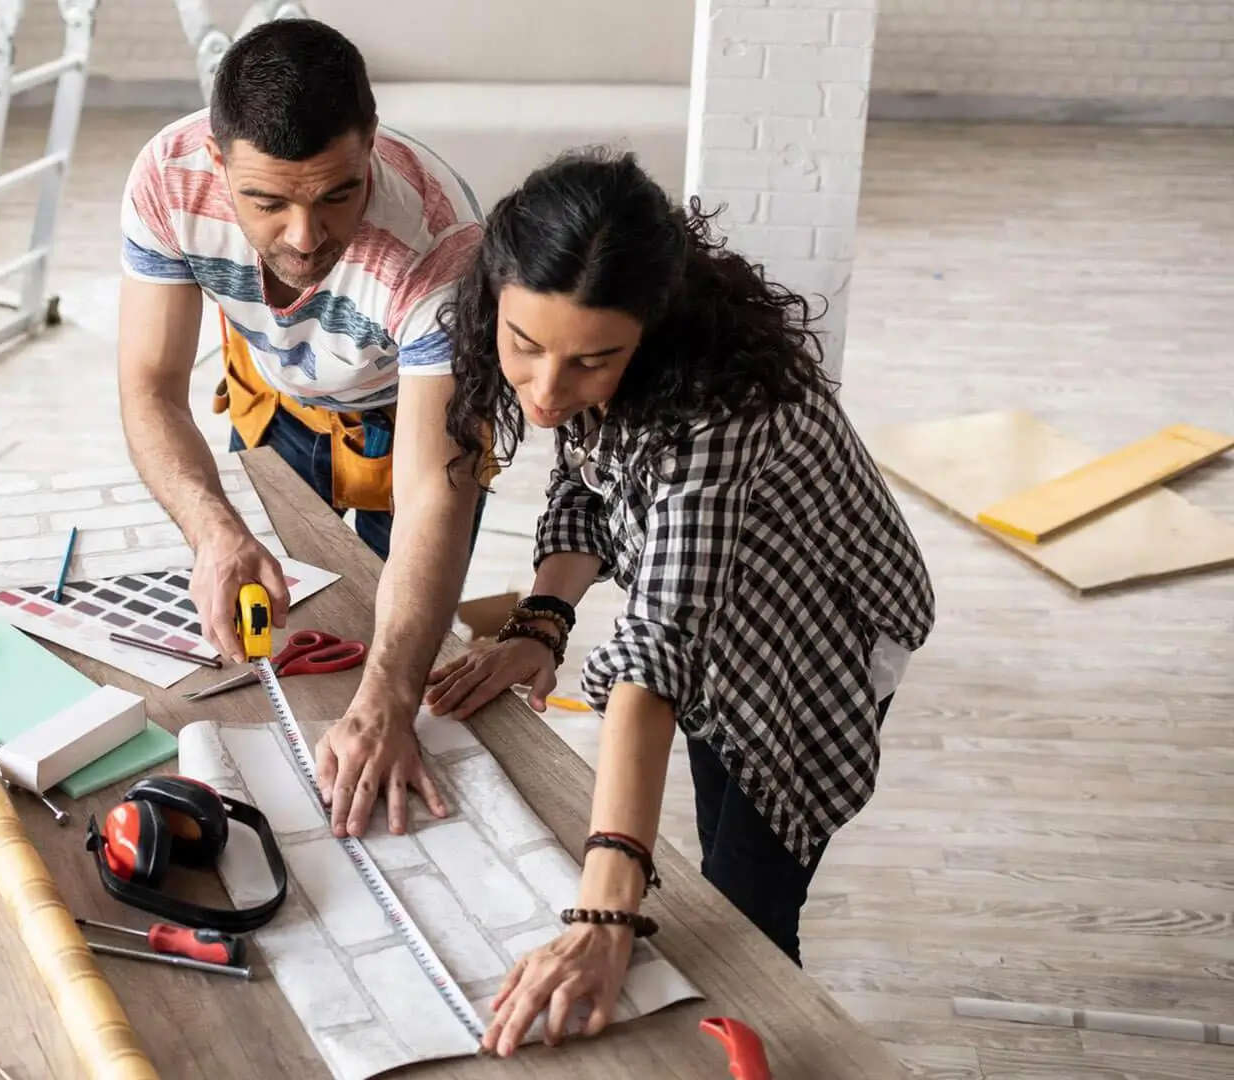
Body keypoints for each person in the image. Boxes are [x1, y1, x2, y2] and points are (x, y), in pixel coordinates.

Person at [419, 147, 935, 1056]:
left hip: (821, 626)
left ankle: (766, 1039)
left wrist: (603, 907)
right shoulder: (585, 361)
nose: (545, 392)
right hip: (717, 614)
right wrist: (542, 622)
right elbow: (585, 485)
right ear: (496, 293)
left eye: (591, 363)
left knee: (747, 907)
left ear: (651, 331)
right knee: (707, 802)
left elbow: (657, 650)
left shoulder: (717, 412)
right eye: (524, 347)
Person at [117, 19, 493, 837]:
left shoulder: (444, 245)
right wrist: (214, 531)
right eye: (267, 201)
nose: (305, 237)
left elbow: (436, 490)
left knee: (399, 657)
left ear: (371, 147)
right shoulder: (168, 177)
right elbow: (149, 387)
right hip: (276, 394)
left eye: (337, 194)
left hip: (412, 416)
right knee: (278, 627)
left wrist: (392, 701)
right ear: (218, 165)